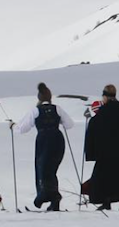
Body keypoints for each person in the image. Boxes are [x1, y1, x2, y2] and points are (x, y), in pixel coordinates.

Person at [12, 83, 75, 211]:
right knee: (51, 170)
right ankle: (53, 200)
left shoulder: (35, 110)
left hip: (44, 140)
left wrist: (13, 126)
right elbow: (69, 124)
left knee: (43, 169)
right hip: (58, 140)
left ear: (39, 98)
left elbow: (22, 128)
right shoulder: (57, 109)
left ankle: (44, 197)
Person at [82, 85, 119, 210]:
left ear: (105, 96)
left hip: (107, 152)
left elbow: (96, 128)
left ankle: (106, 202)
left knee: (102, 178)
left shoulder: (103, 112)